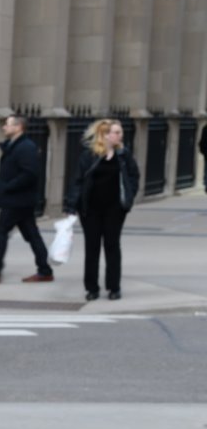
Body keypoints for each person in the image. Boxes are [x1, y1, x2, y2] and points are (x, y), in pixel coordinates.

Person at [63, 117, 139, 301]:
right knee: (92, 248)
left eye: (120, 132)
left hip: (115, 209)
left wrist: (128, 199)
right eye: (116, 132)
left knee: (112, 246)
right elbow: (78, 181)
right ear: (104, 135)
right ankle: (92, 288)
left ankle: (114, 288)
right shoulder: (88, 156)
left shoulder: (124, 155)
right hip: (91, 209)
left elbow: (134, 176)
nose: (120, 135)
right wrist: (71, 205)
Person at [0, 113, 52, 284]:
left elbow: (29, 174)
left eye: (8, 124)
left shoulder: (26, 147)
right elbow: (4, 176)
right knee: (32, 235)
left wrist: (6, 190)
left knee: (1, 231)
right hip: (15, 200)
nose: (4, 127)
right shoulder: (13, 146)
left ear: (18, 127)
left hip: (18, 200)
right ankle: (45, 270)